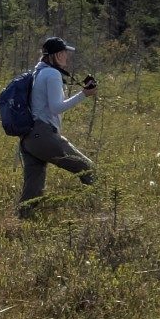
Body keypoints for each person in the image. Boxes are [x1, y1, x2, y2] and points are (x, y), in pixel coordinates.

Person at [18, 36, 97, 218]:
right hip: (44, 135)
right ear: (56, 55)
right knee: (89, 169)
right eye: (64, 53)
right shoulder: (52, 74)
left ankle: (23, 223)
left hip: (28, 139)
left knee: (32, 191)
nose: (66, 57)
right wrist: (84, 94)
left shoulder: (38, 72)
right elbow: (56, 107)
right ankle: (101, 211)